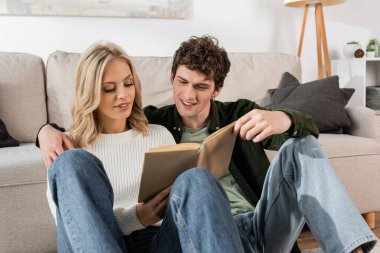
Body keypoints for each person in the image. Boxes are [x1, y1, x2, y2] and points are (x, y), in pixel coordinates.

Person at [38, 36, 377, 252]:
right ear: (170, 77)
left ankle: (352, 248)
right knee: (75, 163)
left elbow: (303, 134)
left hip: (251, 225)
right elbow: (74, 205)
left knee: (297, 148)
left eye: (201, 87)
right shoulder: (153, 123)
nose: (188, 95)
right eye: (182, 82)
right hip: (172, 231)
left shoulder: (231, 116)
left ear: (216, 89)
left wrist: (285, 119)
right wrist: (44, 130)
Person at [47, 41, 248, 252]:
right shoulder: (64, 147)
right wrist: (136, 217)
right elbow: (74, 224)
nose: (123, 95)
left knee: (197, 178)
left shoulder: (159, 135)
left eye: (128, 84)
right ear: (89, 92)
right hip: (96, 243)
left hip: (158, 241)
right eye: (109, 89)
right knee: (72, 161)